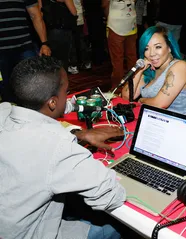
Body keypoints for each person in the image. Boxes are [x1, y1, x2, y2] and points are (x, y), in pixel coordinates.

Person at [0, 56, 125, 239]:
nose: (67, 97)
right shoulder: (58, 145)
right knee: (117, 228)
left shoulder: (3, 111)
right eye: (66, 91)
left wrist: (78, 134)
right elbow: (111, 196)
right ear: (52, 102)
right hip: (33, 234)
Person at [121, 26, 186, 117]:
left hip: (185, 123)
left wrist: (141, 101)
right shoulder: (149, 70)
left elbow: (160, 104)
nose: (151, 54)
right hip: (158, 121)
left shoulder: (179, 67)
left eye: (158, 47)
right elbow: (126, 97)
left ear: (169, 48)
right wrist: (140, 70)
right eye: (146, 49)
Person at [0, 0, 51, 102]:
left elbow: (35, 15)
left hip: (24, 47)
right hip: (1, 52)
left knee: (32, 85)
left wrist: (44, 43)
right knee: (5, 88)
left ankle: (33, 113)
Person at [102, 0, 138, 88]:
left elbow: (104, 5)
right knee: (132, 56)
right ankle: (134, 83)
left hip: (115, 23)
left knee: (117, 59)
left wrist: (108, 17)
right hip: (131, 22)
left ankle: (117, 88)